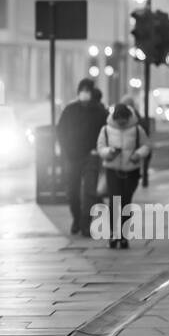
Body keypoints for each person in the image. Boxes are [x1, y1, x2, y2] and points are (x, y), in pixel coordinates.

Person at [56, 78, 108, 236]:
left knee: (89, 191)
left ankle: (85, 224)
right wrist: (66, 150)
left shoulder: (99, 111)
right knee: (72, 191)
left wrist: (98, 150)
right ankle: (77, 219)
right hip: (72, 156)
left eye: (87, 90)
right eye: (82, 90)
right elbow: (61, 131)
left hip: (91, 155)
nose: (84, 93)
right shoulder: (70, 110)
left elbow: (106, 132)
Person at [96, 101, 151, 249]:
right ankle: (114, 236)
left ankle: (124, 236)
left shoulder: (137, 129)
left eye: (124, 119)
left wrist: (137, 155)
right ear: (114, 118)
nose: (121, 122)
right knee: (115, 202)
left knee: (126, 202)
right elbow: (100, 147)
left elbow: (146, 145)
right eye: (119, 119)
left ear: (128, 117)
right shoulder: (106, 130)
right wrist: (110, 152)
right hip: (113, 170)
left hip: (131, 171)